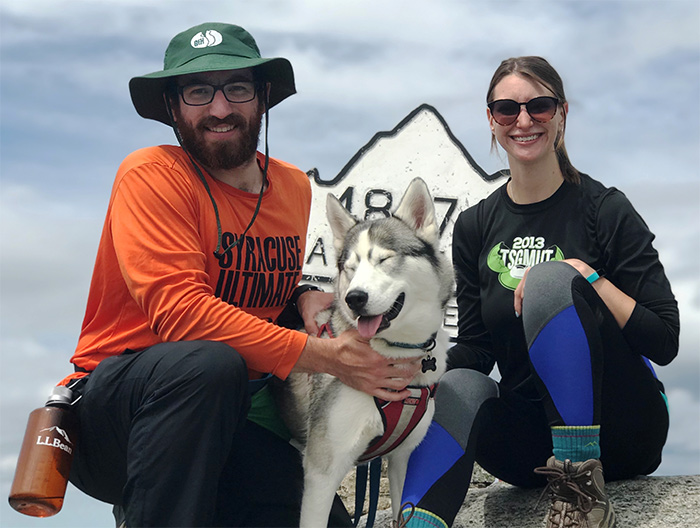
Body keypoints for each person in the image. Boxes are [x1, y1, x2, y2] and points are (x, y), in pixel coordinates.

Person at [57, 22, 421, 527]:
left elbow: (236, 282)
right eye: (198, 91)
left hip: (230, 421)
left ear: (263, 97)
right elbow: (183, 315)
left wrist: (303, 295)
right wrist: (326, 357)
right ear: (172, 106)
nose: (220, 108)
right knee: (210, 364)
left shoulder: (293, 187)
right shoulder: (150, 175)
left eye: (238, 88)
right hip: (120, 415)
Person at [395, 56, 679, 528]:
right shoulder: (474, 226)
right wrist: (410, 363)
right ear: (491, 120)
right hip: (533, 446)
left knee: (551, 279)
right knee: (456, 384)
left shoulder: (605, 209)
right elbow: (478, 350)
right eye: (507, 109)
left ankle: (583, 496)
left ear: (562, 113)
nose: (523, 120)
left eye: (539, 106)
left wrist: (583, 274)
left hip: (624, 428)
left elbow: (664, 339)